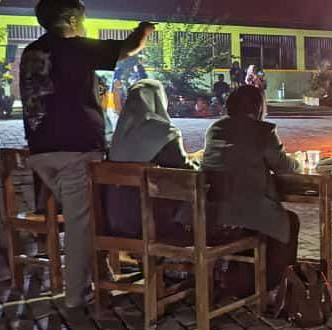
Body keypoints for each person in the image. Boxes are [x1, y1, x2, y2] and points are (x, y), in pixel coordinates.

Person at [20, 0, 155, 308]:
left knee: (89, 214)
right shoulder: (72, 46)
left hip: (41, 150)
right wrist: (145, 29)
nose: (83, 24)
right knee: (81, 224)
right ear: (70, 19)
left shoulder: (32, 50)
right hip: (75, 148)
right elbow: (127, 48)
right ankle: (76, 295)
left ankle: (103, 273)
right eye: (81, 18)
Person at [201, 85, 300, 290]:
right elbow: (284, 167)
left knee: (264, 217)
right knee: (288, 220)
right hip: (245, 212)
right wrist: (298, 161)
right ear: (258, 107)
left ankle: (244, 275)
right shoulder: (262, 132)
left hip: (212, 214)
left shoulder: (216, 129)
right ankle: (275, 282)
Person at [106, 80, 200, 239]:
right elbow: (187, 173)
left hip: (117, 223)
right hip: (155, 224)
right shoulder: (163, 133)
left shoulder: (118, 138)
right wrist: (199, 160)